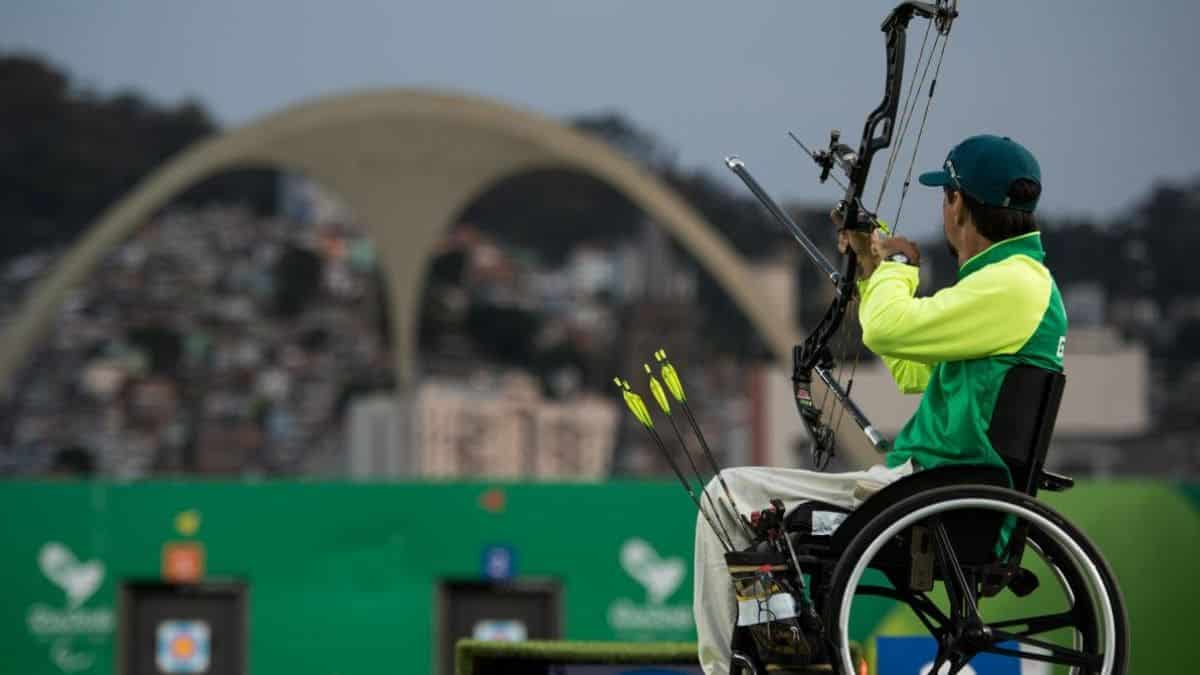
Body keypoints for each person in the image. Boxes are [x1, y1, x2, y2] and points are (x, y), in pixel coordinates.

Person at [693, 135, 1068, 674]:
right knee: (742, 504)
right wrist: (875, 270)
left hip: (930, 493)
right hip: (934, 490)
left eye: (946, 197)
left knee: (727, 496)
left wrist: (893, 267)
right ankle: (782, 655)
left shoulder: (1012, 284)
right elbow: (912, 368)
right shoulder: (1012, 282)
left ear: (957, 203)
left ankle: (724, 668)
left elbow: (888, 329)